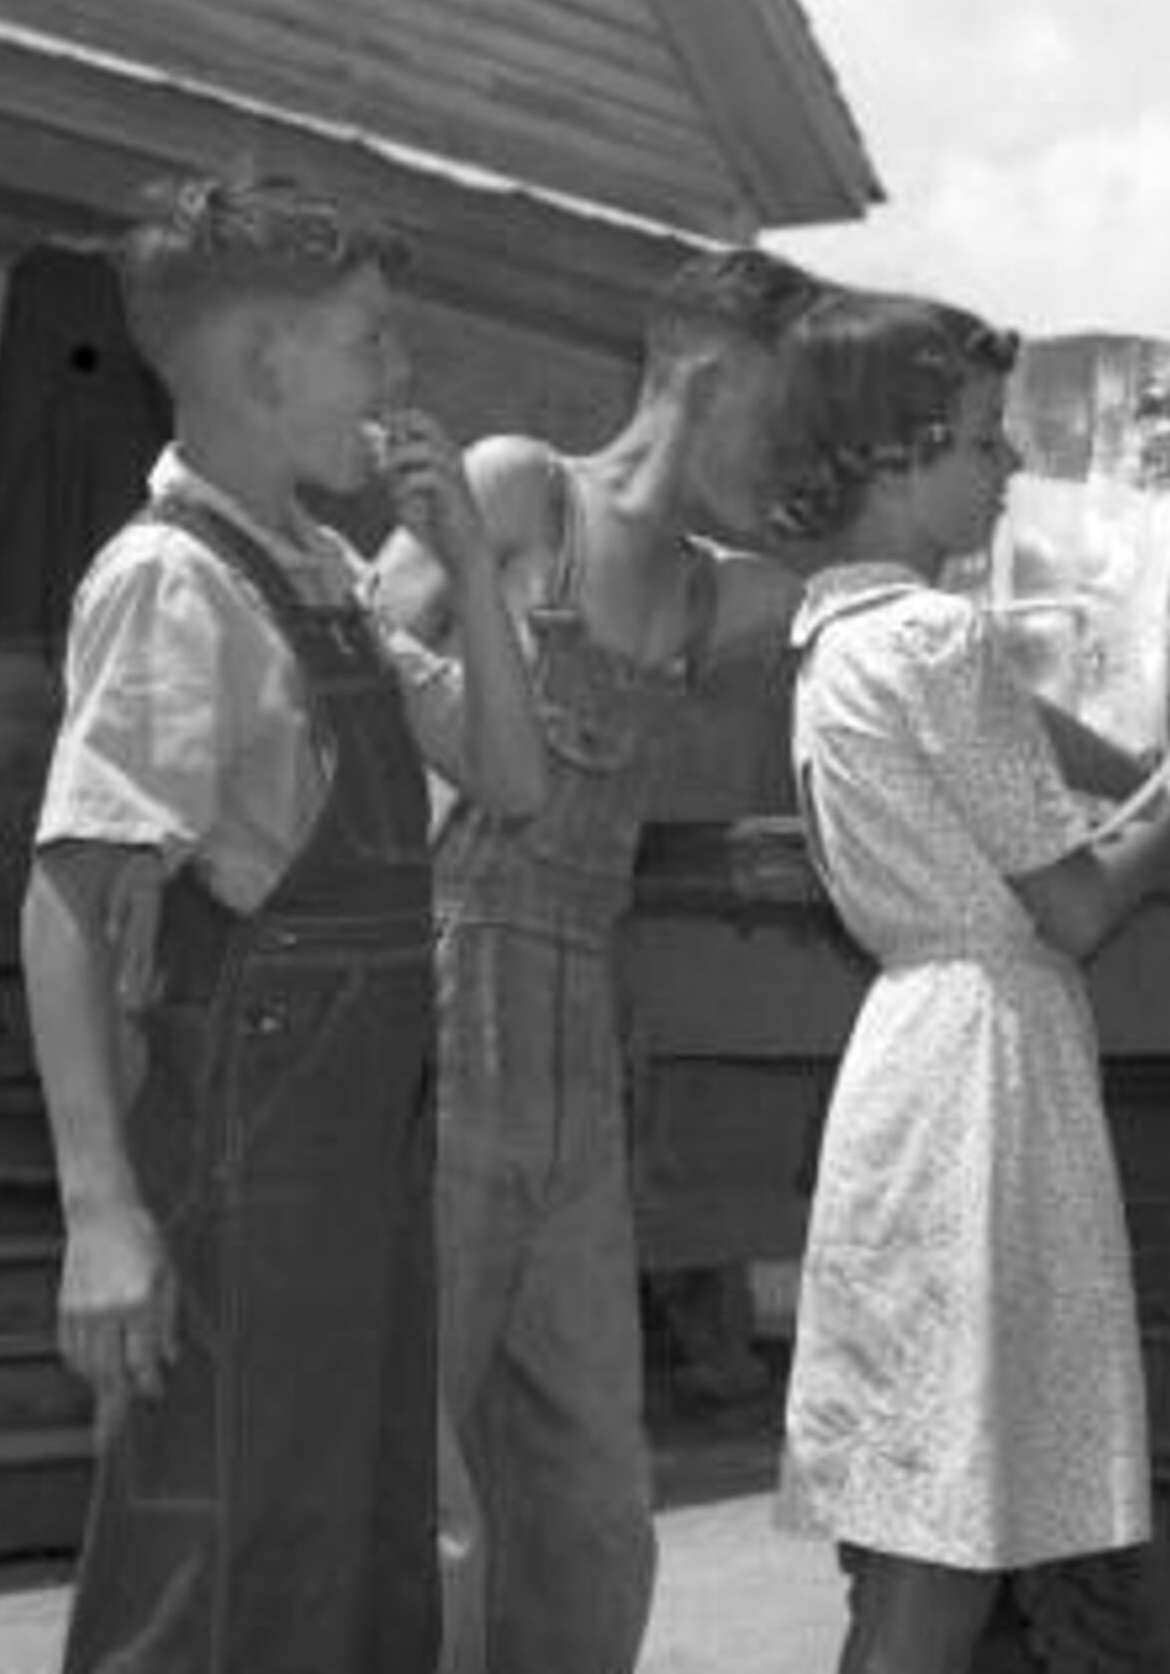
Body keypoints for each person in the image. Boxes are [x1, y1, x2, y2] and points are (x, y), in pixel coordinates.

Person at [764, 288, 1170, 1674]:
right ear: (893, 456)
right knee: (955, 1517)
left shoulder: (834, 640)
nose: (1008, 466)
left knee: (927, 1504)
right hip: (983, 1074)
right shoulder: (933, 637)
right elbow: (1078, 903)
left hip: (916, 1055)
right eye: (981, 439)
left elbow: (1029, 802)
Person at [22, 171, 546, 1674]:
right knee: (215, 1560)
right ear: (265, 362)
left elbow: (510, 777)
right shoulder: (169, 582)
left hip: (357, 1152)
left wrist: (471, 567)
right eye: (371, 339)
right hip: (240, 1154)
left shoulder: (322, 572)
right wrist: (99, 1211)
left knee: (348, 1545)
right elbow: (69, 899)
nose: (400, 374)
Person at [366, 243, 825, 1674]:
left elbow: (915, 615)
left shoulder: (716, 592)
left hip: (579, 1054)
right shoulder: (519, 490)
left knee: (589, 1492)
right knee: (414, 1458)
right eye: (792, 414)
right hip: (437, 1006)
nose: (800, 457)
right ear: (712, 375)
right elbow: (338, 687)